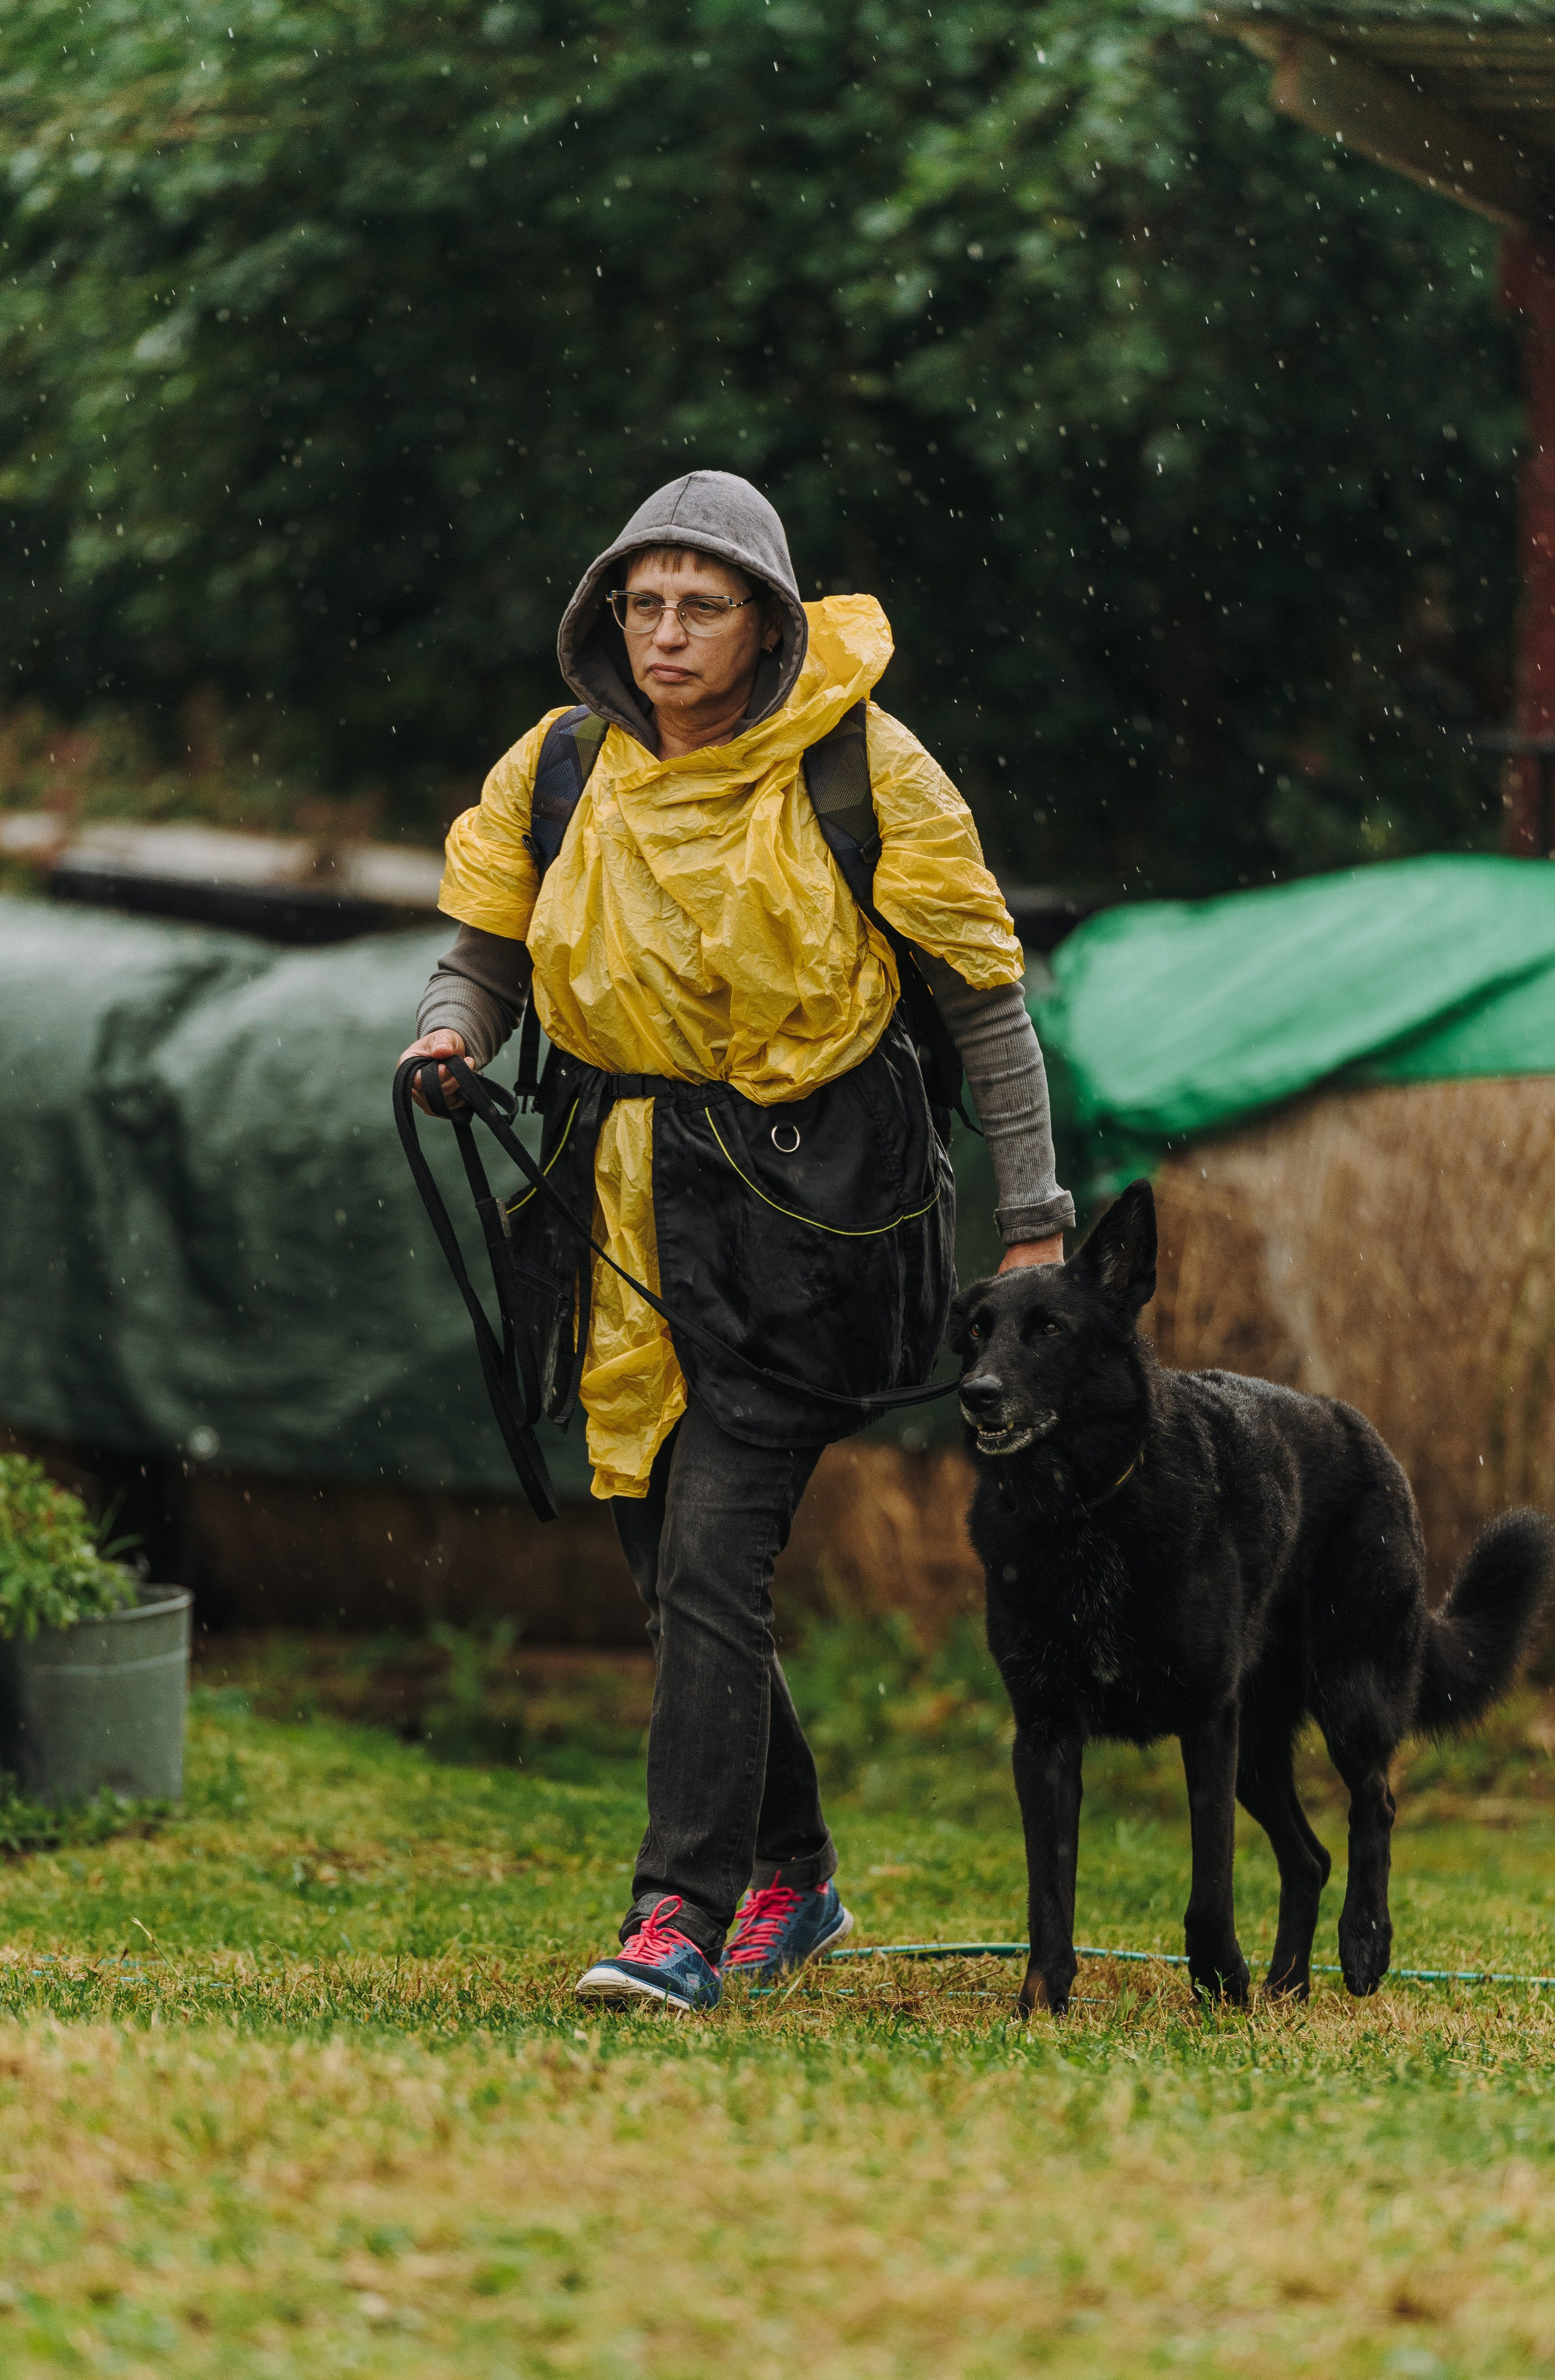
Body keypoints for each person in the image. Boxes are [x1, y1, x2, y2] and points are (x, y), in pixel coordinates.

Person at [399, 471, 1074, 2012]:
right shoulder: (561, 765)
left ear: (765, 617)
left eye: (699, 605)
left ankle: (675, 1916)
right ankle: (799, 1871)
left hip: (811, 1211)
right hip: (617, 1199)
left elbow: (985, 1007)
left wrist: (1032, 1226)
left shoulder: (860, 764)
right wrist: (448, 1035)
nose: (665, 633)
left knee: (713, 1546)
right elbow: (481, 946)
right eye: (642, 603)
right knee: (665, 1563)